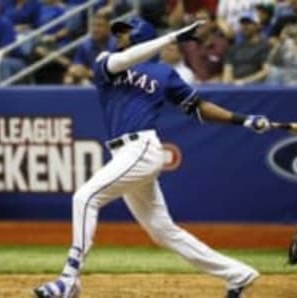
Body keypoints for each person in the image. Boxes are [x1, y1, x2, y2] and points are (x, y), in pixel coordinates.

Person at [33, 16, 272, 298]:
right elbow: (127, 59)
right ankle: (239, 275)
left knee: (85, 197)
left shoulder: (164, 73)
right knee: (163, 230)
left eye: (125, 32)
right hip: (123, 152)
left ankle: (68, 280)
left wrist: (243, 120)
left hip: (142, 148)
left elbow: (198, 107)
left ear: (141, 36)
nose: (119, 37)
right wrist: (172, 38)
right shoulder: (106, 61)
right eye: (118, 32)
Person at [63, 14, 116, 85]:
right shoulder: (84, 45)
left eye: (100, 26)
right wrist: (74, 71)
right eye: (93, 26)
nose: (95, 29)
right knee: (70, 77)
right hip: (93, 81)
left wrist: (90, 73)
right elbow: (78, 66)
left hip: (114, 83)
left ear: (109, 28)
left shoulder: (117, 45)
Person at [222, 13, 270, 86]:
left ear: (257, 25)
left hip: (255, 88)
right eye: (242, 24)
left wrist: (242, 82)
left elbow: (266, 71)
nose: (244, 26)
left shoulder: (264, 46)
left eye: (248, 23)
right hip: (233, 89)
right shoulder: (234, 48)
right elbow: (227, 72)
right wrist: (230, 84)